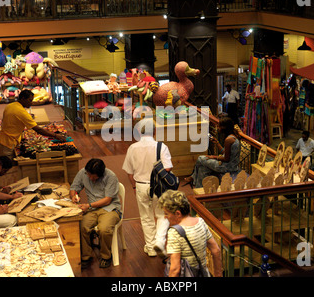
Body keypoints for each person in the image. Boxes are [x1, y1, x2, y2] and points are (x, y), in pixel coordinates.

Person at [122, 118, 173, 258]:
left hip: (141, 185)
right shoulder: (161, 147)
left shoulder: (132, 148)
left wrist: (134, 187)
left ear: (139, 131)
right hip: (159, 187)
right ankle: (159, 242)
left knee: (146, 217)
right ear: (155, 131)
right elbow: (168, 167)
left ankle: (150, 248)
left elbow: (129, 172)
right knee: (162, 215)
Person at [69, 158, 121, 269]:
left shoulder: (110, 176)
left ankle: (106, 256)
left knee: (104, 229)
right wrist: (74, 195)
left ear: (101, 174)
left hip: (109, 208)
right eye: (89, 176)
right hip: (92, 209)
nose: (91, 179)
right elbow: (74, 187)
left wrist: (89, 205)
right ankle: (86, 256)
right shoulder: (83, 173)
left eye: (94, 177)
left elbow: (107, 200)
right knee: (82, 226)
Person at [158, 190, 222, 277]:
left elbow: (175, 269)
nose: (165, 217)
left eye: (166, 213)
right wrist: (218, 274)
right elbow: (216, 250)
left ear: (177, 213)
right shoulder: (200, 222)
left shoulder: (174, 233)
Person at [0, 89, 67, 158]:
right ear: (23, 99)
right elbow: (38, 130)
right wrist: (56, 135)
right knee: (7, 166)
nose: (31, 103)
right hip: (8, 143)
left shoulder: (10, 105)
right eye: (29, 100)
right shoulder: (21, 112)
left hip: (2, 139)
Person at [185, 117, 241, 188]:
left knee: (201, 158)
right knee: (203, 168)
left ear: (224, 127)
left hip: (227, 167)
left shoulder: (228, 140)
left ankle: (193, 177)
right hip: (232, 166)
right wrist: (217, 143)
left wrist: (213, 157)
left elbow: (226, 158)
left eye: (219, 126)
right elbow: (225, 152)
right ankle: (199, 189)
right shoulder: (233, 137)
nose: (217, 128)